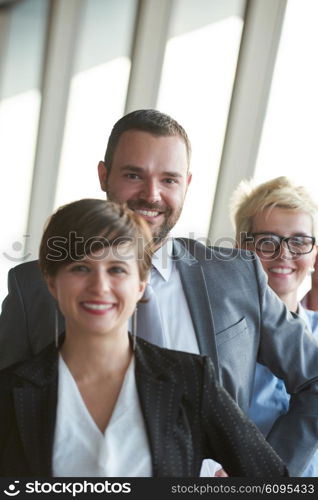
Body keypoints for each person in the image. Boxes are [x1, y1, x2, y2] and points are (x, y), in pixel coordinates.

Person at [1, 110, 318, 476]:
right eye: (134, 175)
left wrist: (257, 478)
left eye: (169, 179)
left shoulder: (236, 275)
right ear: (104, 175)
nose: (151, 195)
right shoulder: (34, 287)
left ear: (187, 183)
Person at [0, 198, 288, 477]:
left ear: (140, 283)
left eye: (117, 270)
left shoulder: (191, 379)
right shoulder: (11, 393)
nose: (99, 287)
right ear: (51, 282)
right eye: (81, 268)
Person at [230, 175, 318, 476]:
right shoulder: (221, 342)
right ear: (241, 248)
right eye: (268, 241)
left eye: (299, 241)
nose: (284, 254)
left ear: (315, 252)